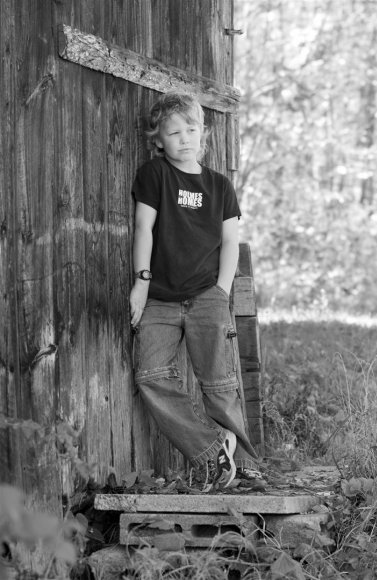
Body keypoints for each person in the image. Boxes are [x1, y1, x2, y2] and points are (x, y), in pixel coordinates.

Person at [130, 91, 262, 490]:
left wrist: (221, 292)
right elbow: (144, 230)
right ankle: (211, 450)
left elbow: (229, 243)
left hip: (207, 295)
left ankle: (245, 463)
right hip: (160, 300)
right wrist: (141, 282)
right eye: (173, 132)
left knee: (219, 383)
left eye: (191, 129)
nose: (184, 138)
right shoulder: (154, 175)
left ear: (203, 133)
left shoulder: (219, 186)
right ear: (159, 139)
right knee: (150, 376)